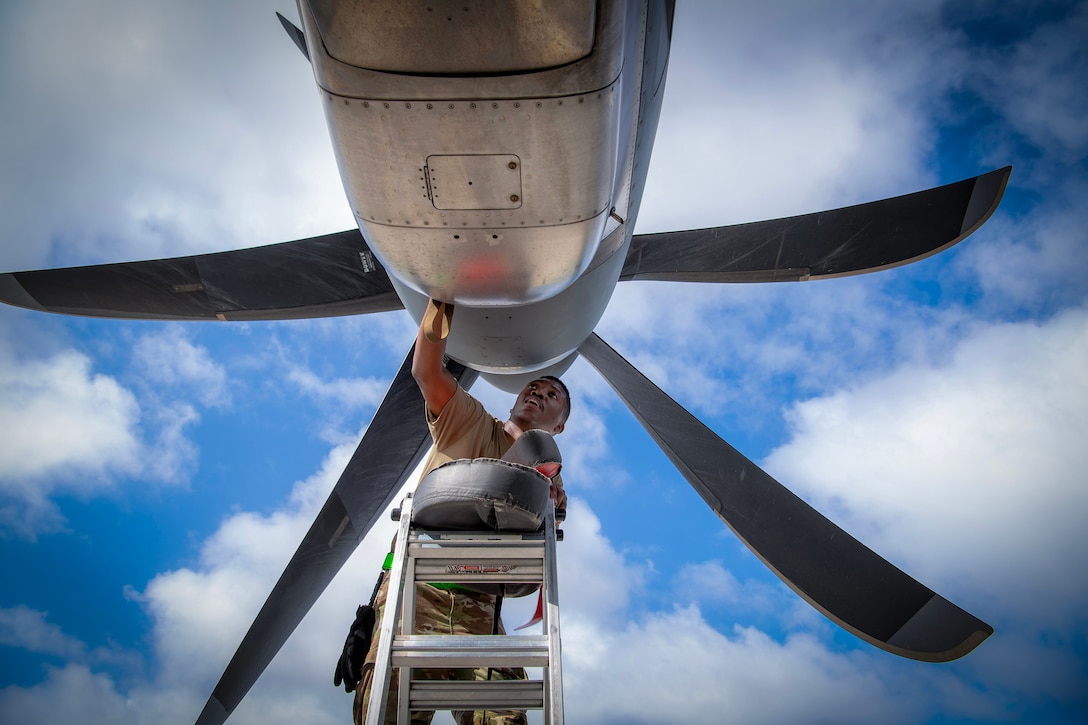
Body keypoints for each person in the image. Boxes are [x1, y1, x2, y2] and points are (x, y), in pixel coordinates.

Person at [353, 299, 570, 725]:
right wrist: (441, 299)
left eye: (551, 395)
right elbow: (427, 373)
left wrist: (555, 502)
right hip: (418, 591)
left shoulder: (546, 476)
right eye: (533, 387)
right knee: (387, 710)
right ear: (514, 399)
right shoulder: (467, 419)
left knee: (505, 717)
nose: (537, 393)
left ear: (559, 425)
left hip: (482, 607)